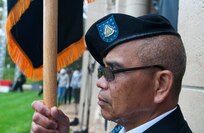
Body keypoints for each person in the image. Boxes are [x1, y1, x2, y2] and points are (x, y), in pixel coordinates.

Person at [30, 13, 192, 133]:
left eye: (112, 71)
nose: (100, 82)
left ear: (161, 85)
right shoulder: (126, 127)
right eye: (103, 71)